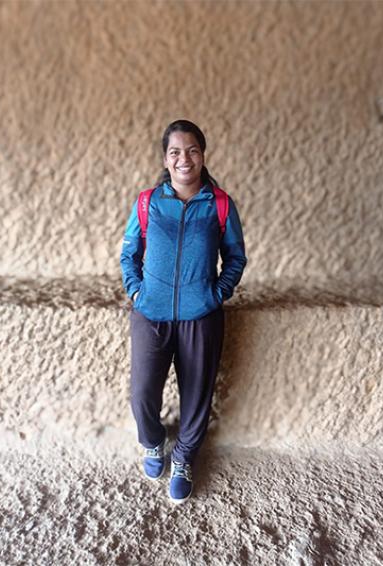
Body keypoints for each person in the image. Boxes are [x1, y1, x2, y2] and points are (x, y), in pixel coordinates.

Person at [119, 120, 247, 504]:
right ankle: (154, 443)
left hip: (201, 316)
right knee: (142, 393)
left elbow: (236, 257)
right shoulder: (147, 202)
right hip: (151, 314)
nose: (184, 159)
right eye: (175, 152)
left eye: (192, 150)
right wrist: (136, 291)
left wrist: (216, 294)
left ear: (202, 155)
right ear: (165, 159)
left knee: (197, 395)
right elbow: (129, 254)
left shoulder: (220, 204)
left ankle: (184, 457)